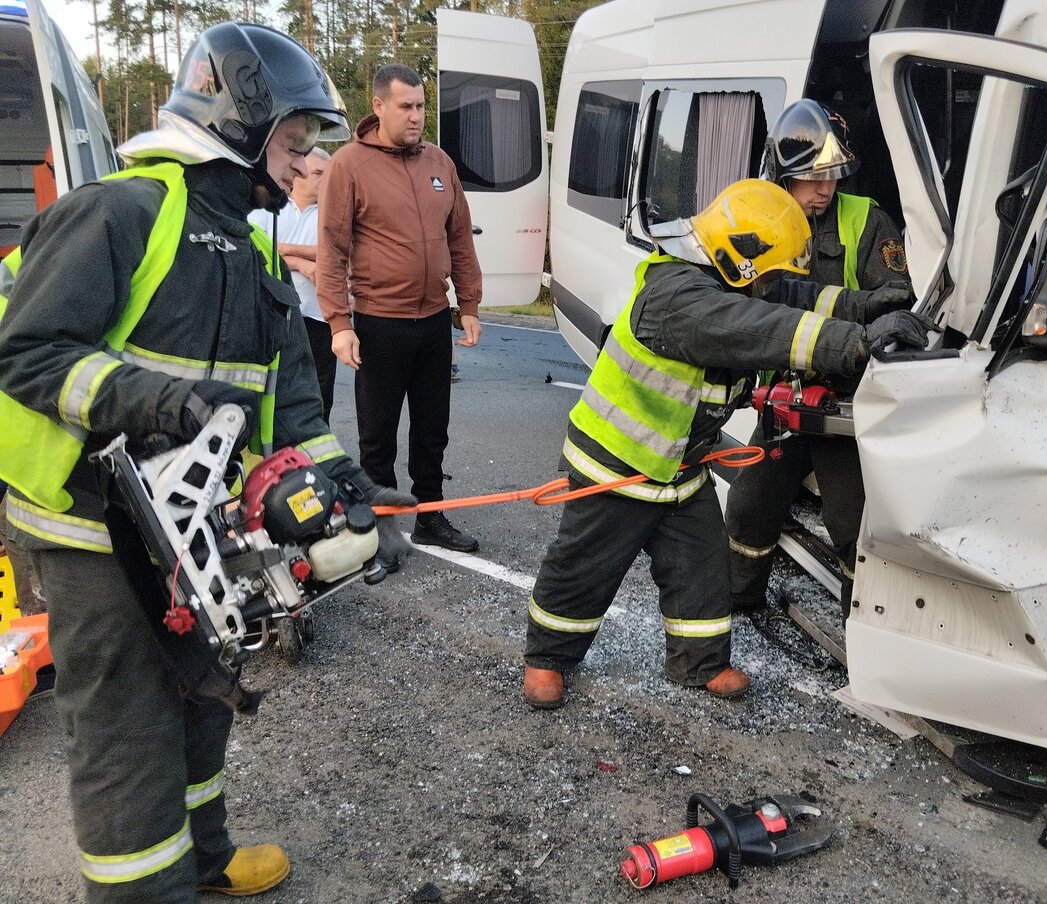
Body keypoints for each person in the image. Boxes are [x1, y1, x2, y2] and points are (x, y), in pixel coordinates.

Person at [0, 23, 415, 902]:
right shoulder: (119, 214)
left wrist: (342, 480)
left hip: (191, 525)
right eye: (296, 142)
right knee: (126, 725)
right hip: (92, 527)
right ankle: (143, 892)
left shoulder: (253, 247)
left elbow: (289, 396)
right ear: (241, 123)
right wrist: (150, 398)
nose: (306, 164)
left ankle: (203, 859)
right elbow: (27, 353)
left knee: (201, 688)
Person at [522, 179, 931, 709]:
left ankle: (700, 664)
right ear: (741, 259)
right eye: (770, 271)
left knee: (700, 568)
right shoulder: (679, 297)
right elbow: (762, 327)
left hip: (680, 465)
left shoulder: (731, 278)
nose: (774, 283)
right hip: (617, 463)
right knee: (584, 567)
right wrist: (856, 343)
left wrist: (871, 305)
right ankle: (547, 660)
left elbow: (798, 296)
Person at [724, 99, 915, 615]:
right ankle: (740, 603)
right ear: (781, 175)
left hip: (843, 405)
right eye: (812, 177)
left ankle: (867, 632)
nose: (825, 188)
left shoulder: (866, 221)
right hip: (785, 398)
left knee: (852, 525)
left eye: (832, 175)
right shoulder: (757, 218)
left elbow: (896, 305)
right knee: (747, 506)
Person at [317, 63, 482, 553]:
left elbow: (459, 238)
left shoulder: (439, 163)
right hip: (378, 323)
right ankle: (382, 533)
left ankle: (430, 517)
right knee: (378, 438)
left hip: (433, 321)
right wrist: (338, 323)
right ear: (379, 106)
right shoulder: (349, 165)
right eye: (406, 106)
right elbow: (332, 248)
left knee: (433, 430)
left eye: (421, 106)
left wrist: (468, 303)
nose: (415, 116)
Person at [248, 146, 337, 422]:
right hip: (275, 313)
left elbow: (335, 253)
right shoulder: (270, 206)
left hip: (320, 317)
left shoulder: (332, 214)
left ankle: (315, 458)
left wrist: (284, 250)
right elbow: (253, 247)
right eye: (320, 173)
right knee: (272, 389)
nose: (326, 180)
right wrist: (301, 263)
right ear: (300, 173)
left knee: (319, 394)